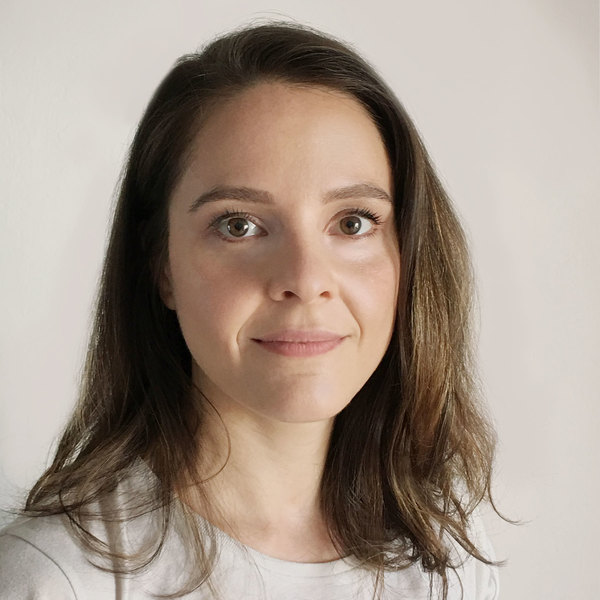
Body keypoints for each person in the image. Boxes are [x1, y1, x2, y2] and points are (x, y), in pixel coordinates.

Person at [0, 22, 501, 599]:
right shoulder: (57, 579)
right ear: (162, 266)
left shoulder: (447, 558)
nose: (306, 280)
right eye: (239, 225)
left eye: (352, 222)